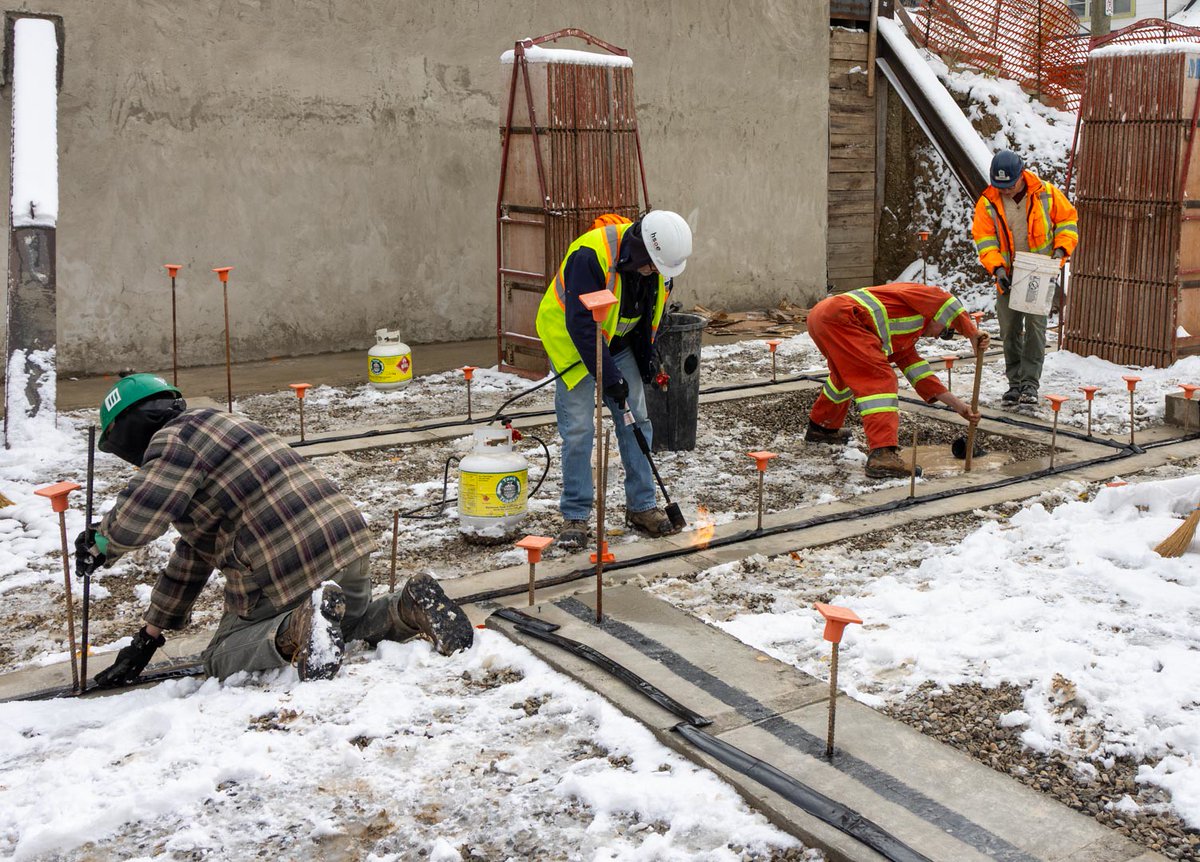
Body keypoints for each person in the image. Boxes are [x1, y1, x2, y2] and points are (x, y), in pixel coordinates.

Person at [74, 372, 473, 687]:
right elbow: (192, 556)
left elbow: (139, 513)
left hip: (285, 563)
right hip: (346, 545)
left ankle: (294, 626)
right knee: (342, 627)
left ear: (127, 432)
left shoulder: (174, 441)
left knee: (220, 655)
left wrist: (100, 542)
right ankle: (406, 606)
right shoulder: (226, 424)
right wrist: (148, 638)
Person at [535, 210, 693, 549]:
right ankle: (575, 514)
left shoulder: (658, 268)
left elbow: (644, 314)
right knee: (579, 430)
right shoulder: (590, 256)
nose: (654, 272)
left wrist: (644, 357)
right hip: (574, 345)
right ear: (640, 250)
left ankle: (642, 507)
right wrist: (609, 378)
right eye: (652, 265)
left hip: (616, 344)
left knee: (637, 419)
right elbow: (581, 325)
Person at [804, 283, 990, 479]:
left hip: (823, 317)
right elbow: (944, 298)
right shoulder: (923, 299)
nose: (938, 337)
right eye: (945, 330)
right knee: (879, 378)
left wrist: (959, 406)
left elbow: (920, 376)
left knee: (845, 375)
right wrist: (971, 332)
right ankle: (882, 454)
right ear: (939, 315)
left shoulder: (908, 336)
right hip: (841, 317)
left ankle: (822, 428)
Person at [972, 149, 1078, 407]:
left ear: (1021, 175)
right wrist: (997, 269)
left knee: (1035, 330)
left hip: (1039, 272)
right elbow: (985, 240)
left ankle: (1030, 384)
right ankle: (1014, 384)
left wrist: (1061, 251)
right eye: (1001, 186)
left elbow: (1067, 221)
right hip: (1007, 275)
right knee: (1009, 331)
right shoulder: (988, 201)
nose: (1005, 191)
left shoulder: (1047, 193)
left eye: (1009, 185)